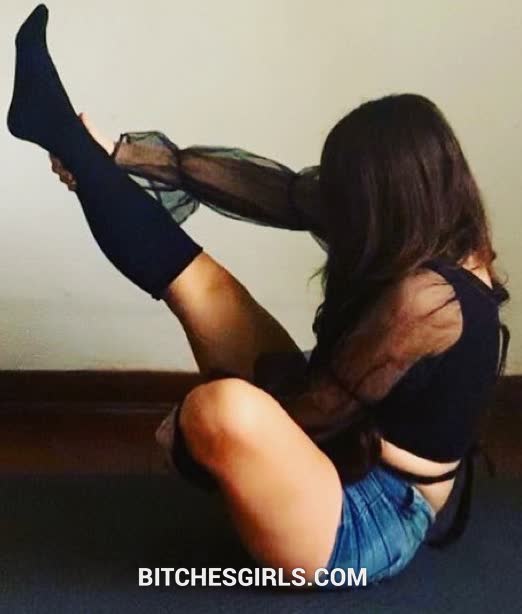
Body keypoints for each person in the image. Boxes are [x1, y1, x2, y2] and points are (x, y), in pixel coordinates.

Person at [8, 4, 509, 589]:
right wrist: (110, 155)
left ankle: (229, 451)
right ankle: (56, 126)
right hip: (339, 448)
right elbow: (276, 191)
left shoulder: (433, 300)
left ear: (390, 200)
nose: (334, 207)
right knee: (204, 284)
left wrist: (195, 440)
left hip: (364, 521)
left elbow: (317, 411)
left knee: (220, 409)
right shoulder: (427, 228)